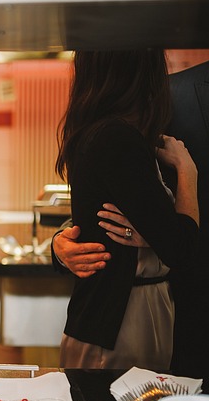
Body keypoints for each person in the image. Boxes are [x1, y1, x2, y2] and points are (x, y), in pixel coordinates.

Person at [53, 48, 209, 391]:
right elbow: (114, 186)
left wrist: (158, 229)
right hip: (199, 308)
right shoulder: (176, 95)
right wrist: (64, 239)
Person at [54, 49, 199, 370]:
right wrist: (188, 171)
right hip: (122, 317)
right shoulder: (116, 137)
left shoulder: (99, 131)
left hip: (119, 312)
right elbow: (180, 246)